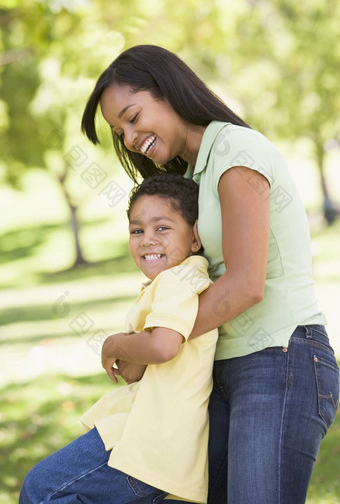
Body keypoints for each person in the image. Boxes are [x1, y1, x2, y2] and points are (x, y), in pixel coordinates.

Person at [81, 44, 340, 504]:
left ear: (168, 90)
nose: (129, 136)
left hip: (279, 357)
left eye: (133, 116)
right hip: (223, 369)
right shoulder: (193, 177)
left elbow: (245, 284)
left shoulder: (235, 149)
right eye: (119, 131)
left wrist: (154, 342)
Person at [19, 174, 218, 504]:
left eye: (162, 228)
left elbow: (162, 346)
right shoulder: (176, 281)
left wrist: (115, 345)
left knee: (42, 490)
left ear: (195, 238)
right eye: (137, 230)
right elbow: (139, 368)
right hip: (153, 443)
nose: (147, 239)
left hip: (148, 444)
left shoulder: (179, 279)